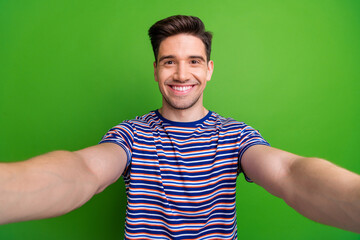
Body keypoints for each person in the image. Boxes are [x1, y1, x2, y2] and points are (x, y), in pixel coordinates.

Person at [0, 15, 359, 239]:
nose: (182, 74)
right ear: (156, 70)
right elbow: (82, 171)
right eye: (169, 62)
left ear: (209, 69)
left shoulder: (236, 136)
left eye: (194, 61)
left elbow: (290, 173)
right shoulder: (130, 134)